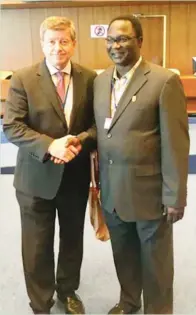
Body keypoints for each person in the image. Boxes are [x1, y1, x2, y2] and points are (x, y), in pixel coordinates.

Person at [93, 15, 189, 314]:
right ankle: (130, 301)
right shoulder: (100, 81)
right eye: (110, 40)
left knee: (155, 259)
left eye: (123, 39)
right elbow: (100, 131)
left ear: (139, 41)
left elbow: (176, 142)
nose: (115, 45)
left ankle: (158, 310)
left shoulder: (163, 80)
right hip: (112, 190)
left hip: (149, 192)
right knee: (123, 253)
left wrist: (175, 196)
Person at [3, 16, 96, 314]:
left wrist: (78, 140)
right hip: (35, 178)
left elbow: (98, 126)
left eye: (64, 41)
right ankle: (40, 302)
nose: (58, 48)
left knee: (72, 240)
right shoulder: (23, 78)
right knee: (37, 245)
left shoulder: (91, 78)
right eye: (52, 42)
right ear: (42, 44)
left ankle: (67, 291)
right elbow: (13, 126)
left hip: (74, 174)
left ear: (74, 43)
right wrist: (50, 145)